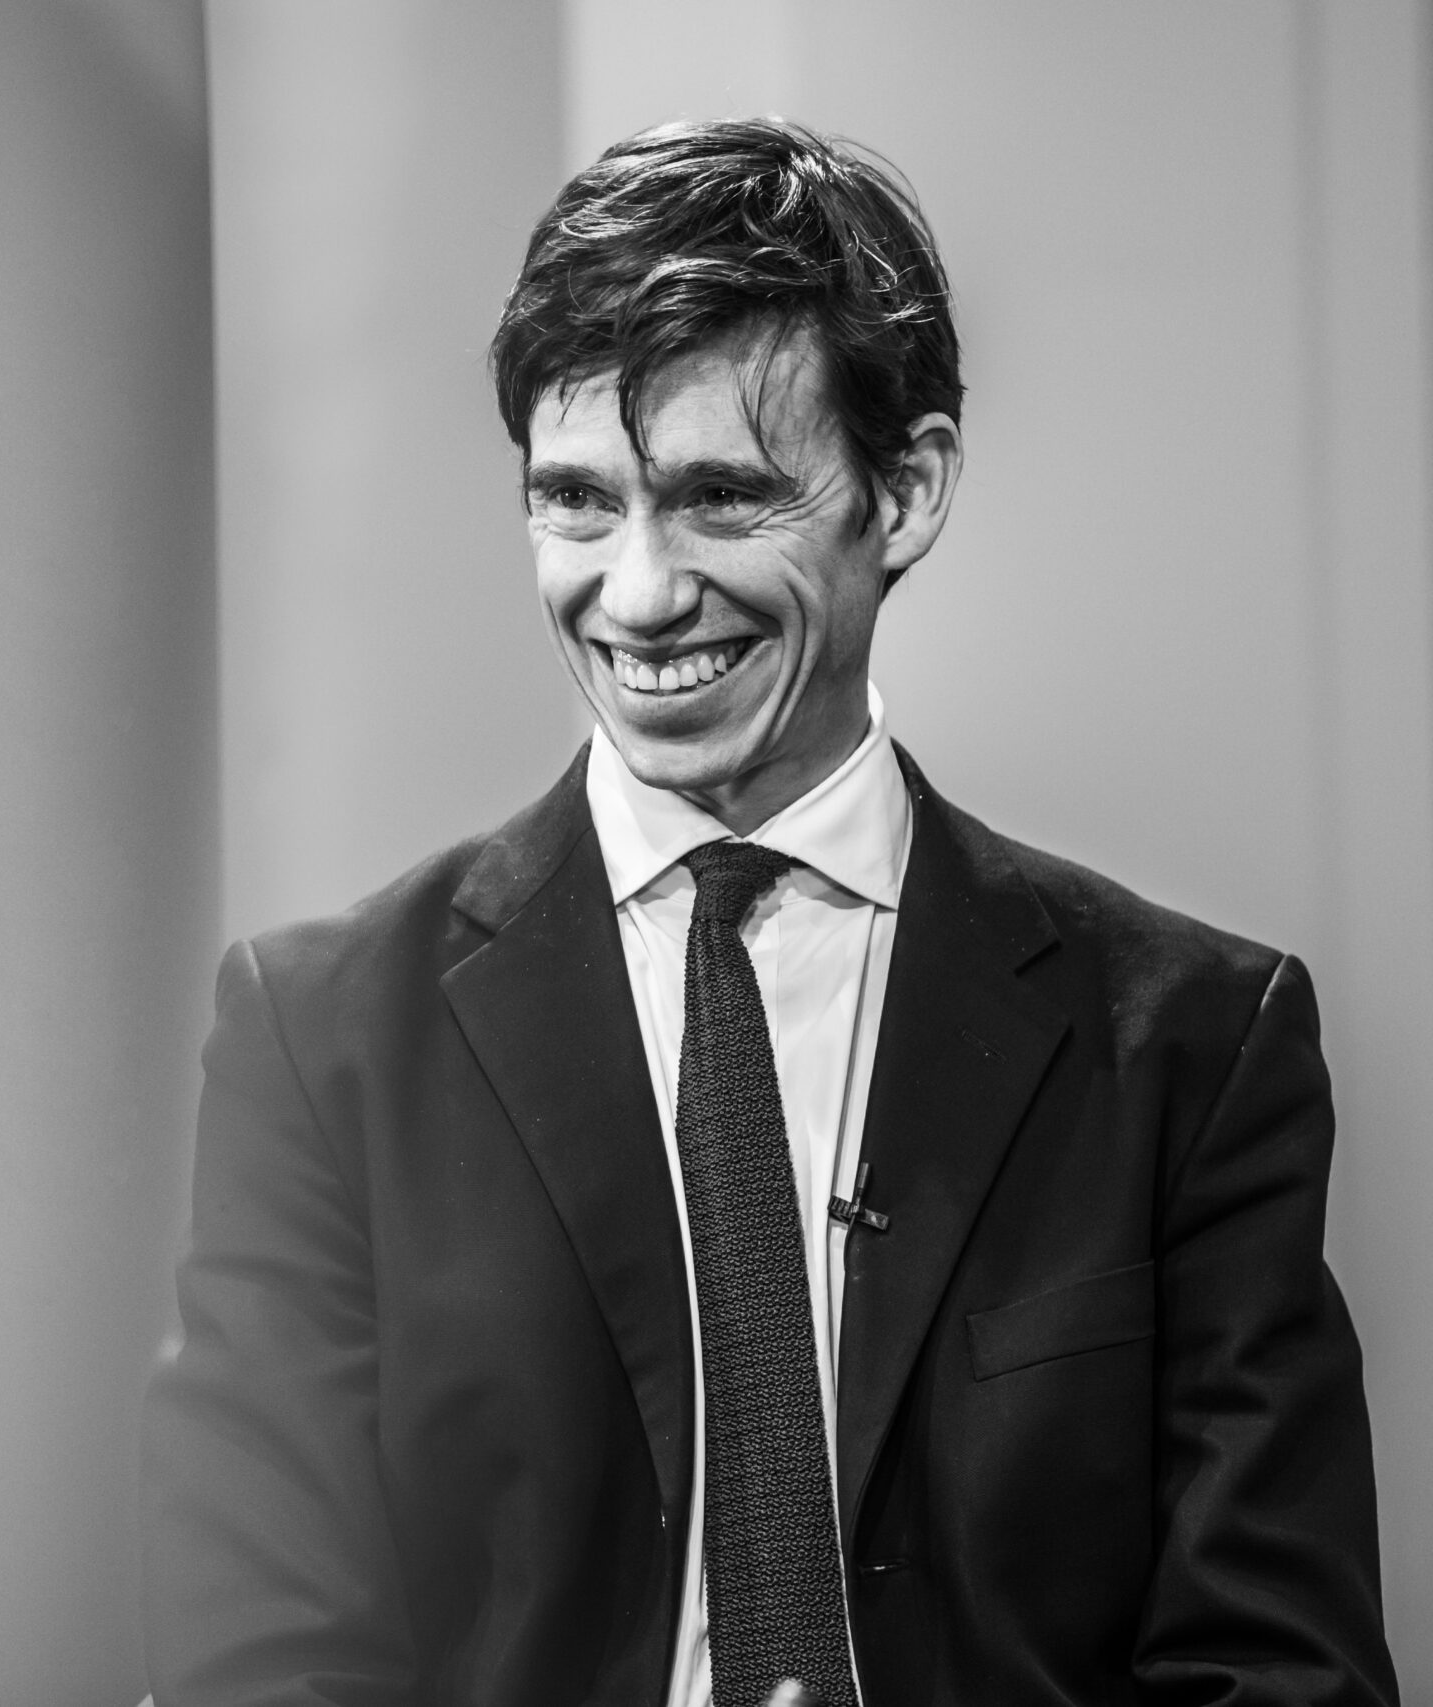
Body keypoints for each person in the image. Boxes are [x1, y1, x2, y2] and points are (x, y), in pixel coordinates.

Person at [140, 119, 1396, 1707]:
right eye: (578, 502)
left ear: (910, 489)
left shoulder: (1199, 1048)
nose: (641, 593)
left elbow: (1281, 1674)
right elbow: (258, 1669)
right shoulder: (316, 1045)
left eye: (721, 501)